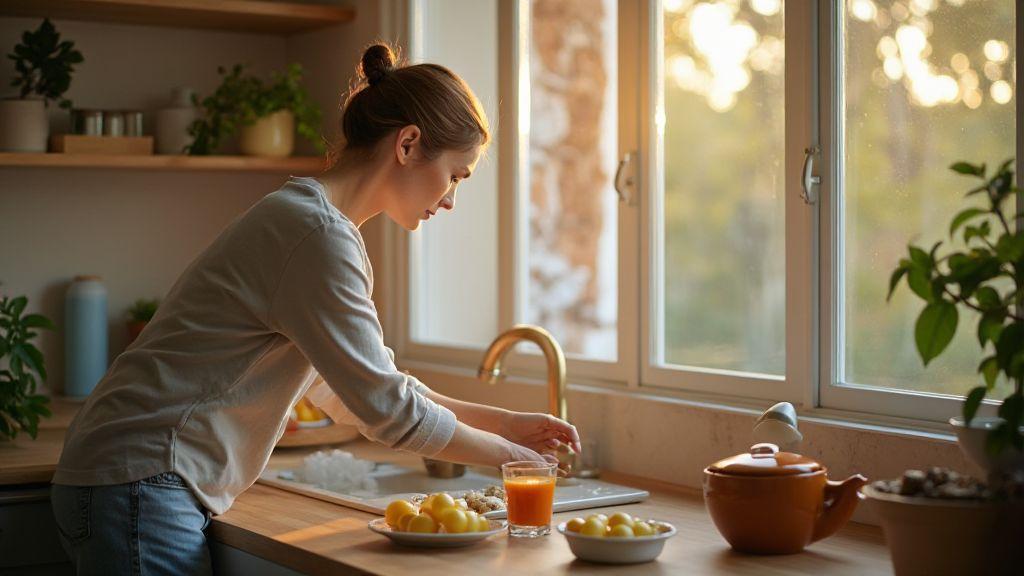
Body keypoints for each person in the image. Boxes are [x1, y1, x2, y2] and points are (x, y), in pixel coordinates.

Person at [51, 43, 580, 575]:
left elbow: (355, 390)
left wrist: (508, 425)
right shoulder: (317, 235)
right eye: (456, 175)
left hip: (127, 477)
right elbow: (388, 411)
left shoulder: (310, 223)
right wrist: (515, 460)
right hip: (142, 480)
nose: (450, 199)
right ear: (409, 143)